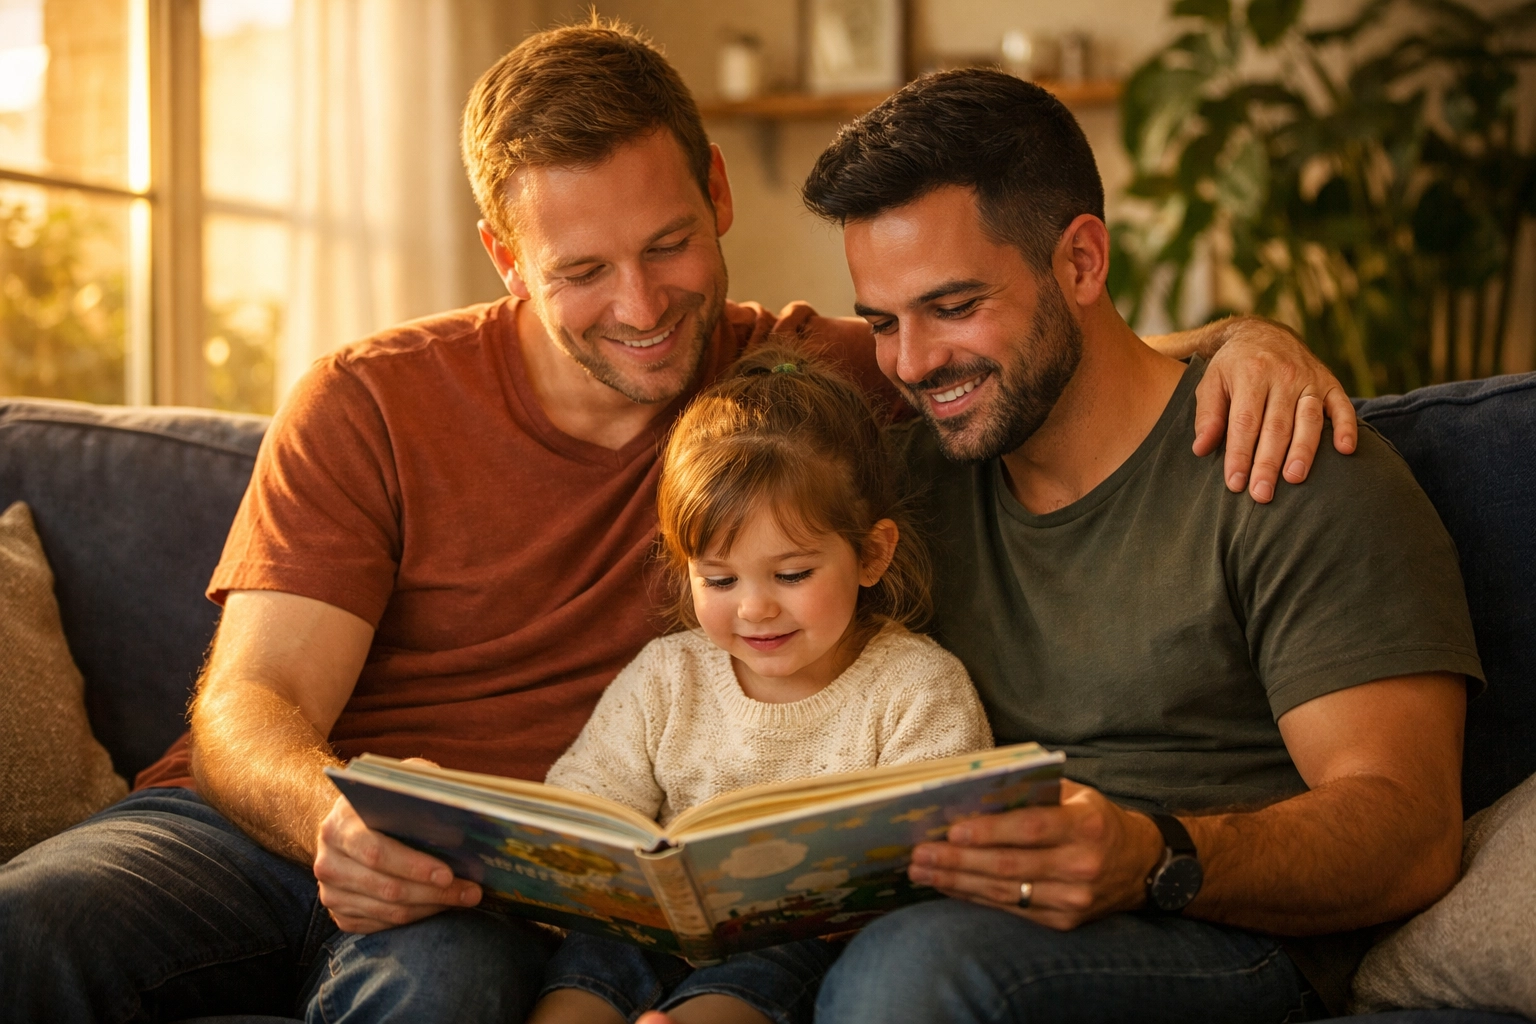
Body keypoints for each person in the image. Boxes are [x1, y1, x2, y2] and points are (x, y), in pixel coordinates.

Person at [0, 21, 1356, 1024]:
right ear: (504, 256)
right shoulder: (371, 400)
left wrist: (1246, 338)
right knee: (34, 931)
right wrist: (331, 828)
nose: (643, 307)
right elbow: (253, 706)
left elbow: (1018, 340)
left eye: (666, 246)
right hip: (262, 833)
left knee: (443, 1000)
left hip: (487, 897)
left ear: (717, 194)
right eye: (581, 271)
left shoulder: (801, 383)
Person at [798, 69, 1483, 1022]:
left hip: (1224, 930)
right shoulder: (904, 490)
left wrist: (1153, 855)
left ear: (1081, 263)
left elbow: (1409, 831)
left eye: (953, 307)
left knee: (912, 972)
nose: (911, 364)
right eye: (882, 322)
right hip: (966, 905)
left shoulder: (1284, 462)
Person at [530, 347, 992, 1024]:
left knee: (748, 989)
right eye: (719, 579)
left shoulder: (915, 689)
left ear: (871, 554)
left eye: (792, 575)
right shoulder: (669, 675)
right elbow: (586, 800)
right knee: (577, 989)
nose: (753, 608)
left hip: (791, 948)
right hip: (643, 933)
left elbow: (944, 853)